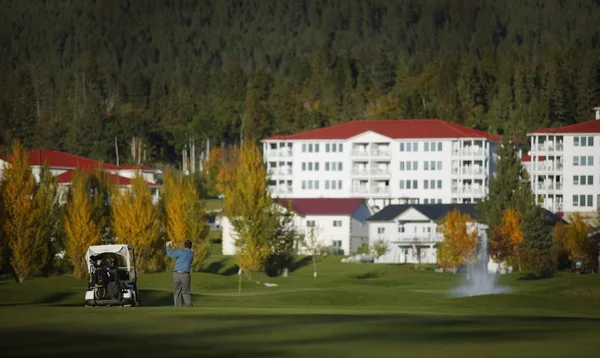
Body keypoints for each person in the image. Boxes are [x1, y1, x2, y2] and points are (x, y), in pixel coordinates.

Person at [165, 239, 195, 307]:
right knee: (186, 291)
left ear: (184, 245)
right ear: (191, 246)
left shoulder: (181, 252)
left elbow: (170, 254)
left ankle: (177, 306)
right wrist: (173, 247)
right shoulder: (191, 253)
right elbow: (181, 252)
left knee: (176, 292)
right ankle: (189, 305)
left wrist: (167, 246)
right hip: (185, 275)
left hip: (176, 274)